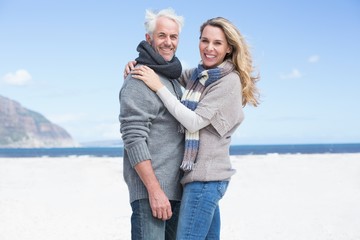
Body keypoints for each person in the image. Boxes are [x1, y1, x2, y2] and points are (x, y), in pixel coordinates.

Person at [127, 17, 260, 239]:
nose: (209, 48)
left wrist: (158, 86)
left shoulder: (227, 81)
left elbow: (193, 122)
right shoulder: (200, 76)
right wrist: (138, 62)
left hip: (205, 180)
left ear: (229, 48)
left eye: (217, 43)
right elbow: (170, 68)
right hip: (202, 179)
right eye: (204, 40)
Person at [118, 8, 185, 240]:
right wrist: (155, 191)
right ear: (149, 39)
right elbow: (133, 138)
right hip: (151, 196)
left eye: (173, 37)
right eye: (162, 36)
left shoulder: (172, 78)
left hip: (175, 192)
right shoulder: (139, 79)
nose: (168, 42)